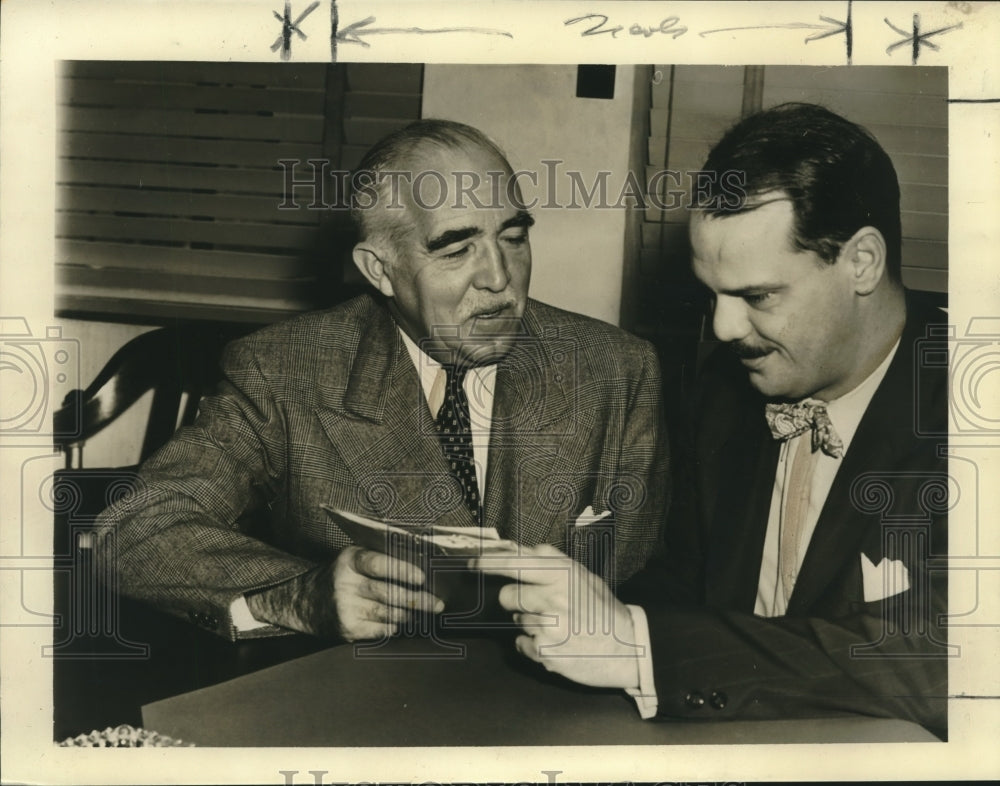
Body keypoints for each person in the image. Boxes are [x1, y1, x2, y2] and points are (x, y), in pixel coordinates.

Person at [473, 103, 949, 738]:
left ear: (861, 261)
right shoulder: (724, 394)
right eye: (712, 296)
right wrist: (579, 607)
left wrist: (640, 647)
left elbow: (950, 657)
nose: (724, 329)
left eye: (757, 296)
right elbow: (691, 581)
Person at [93, 119, 668, 644]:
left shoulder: (616, 370)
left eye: (513, 238)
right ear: (379, 269)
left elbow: (652, 585)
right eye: (457, 248)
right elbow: (135, 531)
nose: (499, 278)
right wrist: (301, 595)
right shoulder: (282, 372)